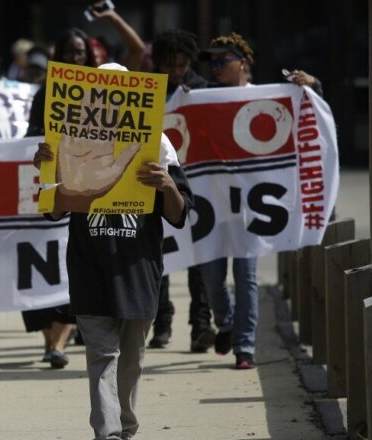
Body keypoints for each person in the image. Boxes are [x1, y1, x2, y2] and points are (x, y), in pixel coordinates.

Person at [34, 61, 194, 440]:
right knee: (101, 356)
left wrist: (167, 185)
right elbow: (53, 210)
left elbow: (180, 215)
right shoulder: (68, 142)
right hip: (89, 266)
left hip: (137, 269)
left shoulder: (158, 145)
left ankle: (126, 428)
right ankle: (107, 434)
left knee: (132, 360)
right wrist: (48, 170)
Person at [197, 32, 322, 370]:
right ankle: (225, 323)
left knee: (246, 276)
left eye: (223, 60)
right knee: (211, 277)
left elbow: (310, 110)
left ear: (243, 62)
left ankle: (245, 347)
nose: (216, 67)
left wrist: (312, 84)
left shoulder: (266, 98)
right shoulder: (201, 98)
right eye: (212, 61)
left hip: (253, 207)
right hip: (216, 204)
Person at [23, 27, 97, 368]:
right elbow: (29, 137)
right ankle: (50, 342)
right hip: (55, 188)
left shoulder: (104, 89)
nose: (75, 58)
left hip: (94, 190)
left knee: (77, 265)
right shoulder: (45, 93)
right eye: (68, 52)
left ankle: (61, 342)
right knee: (49, 262)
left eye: (80, 52)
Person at [147, 29, 214, 352]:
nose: (176, 71)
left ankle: (201, 323)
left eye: (182, 64)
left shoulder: (200, 89)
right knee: (161, 258)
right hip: (159, 184)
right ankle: (162, 323)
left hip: (195, 185)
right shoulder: (146, 91)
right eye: (170, 65)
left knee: (198, 259)